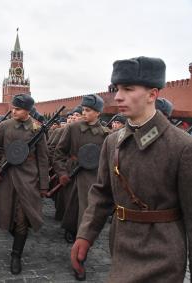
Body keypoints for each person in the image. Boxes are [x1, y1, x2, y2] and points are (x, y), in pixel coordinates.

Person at [71, 56, 192, 282]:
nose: (118, 96)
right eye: (117, 88)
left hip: (163, 253)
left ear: (152, 94)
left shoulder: (182, 146)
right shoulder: (112, 142)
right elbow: (101, 194)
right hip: (121, 246)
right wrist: (85, 235)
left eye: (128, 89)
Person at [0, 94, 49, 274]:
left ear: (27, 110)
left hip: (28, 178)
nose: (13, 111)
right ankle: (17, 237)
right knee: (7, 215)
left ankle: (15, 255)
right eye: (13, 108)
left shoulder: (37, 129)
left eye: (18, 109)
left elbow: (43, 158)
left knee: (22, 218)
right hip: (6, 177)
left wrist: (44, 184)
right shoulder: (5, 126)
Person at [54, 95, 110, 242]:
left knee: (87, 207)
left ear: (98, 112)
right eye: (83, 110)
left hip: (92, 175)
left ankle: (82, 236)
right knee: (71, 205)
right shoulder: (72, 128)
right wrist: (62, 173)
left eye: (89, 110)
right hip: (72, 172)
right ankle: (71, 228)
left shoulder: (105, 134)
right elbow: (59, 152)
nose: (84, 113)